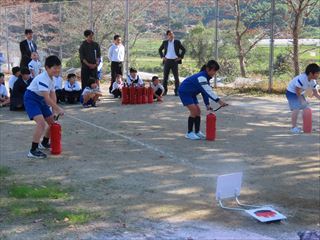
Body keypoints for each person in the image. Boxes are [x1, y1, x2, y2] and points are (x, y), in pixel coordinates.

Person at [24, 55, 64, 159]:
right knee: (41, 123)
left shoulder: (52, 79)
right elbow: (47, 98)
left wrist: (54, 110)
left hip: (40, 99)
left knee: (52, 122)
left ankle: (44, 143)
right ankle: (33, 150)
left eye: (58, 67)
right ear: (47, 67)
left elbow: (52, 95)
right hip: (31, 98)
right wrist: (58, 108)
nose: (57, 70)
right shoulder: (43, 78)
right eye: (54, 68)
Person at [178, 60, 228, 140]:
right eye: (214, 71)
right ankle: (189, 133)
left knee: (198, 111)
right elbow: (208, 91)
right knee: (194, 111)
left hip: (192, 93)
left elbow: (204, 92)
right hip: (184, 92)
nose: (215, 73)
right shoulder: (202, 77)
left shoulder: (206, 78)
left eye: (216, 71)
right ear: (208, 69)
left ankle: (197, 132)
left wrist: (207, 105)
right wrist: (219, 101)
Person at [286, 63, 320, 133]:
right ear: (311, 73)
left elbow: (316, 93)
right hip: (291, 92)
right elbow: (297, 90)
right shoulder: (302, 78)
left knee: (306, 107)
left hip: (299, 93)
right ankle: (293, 128)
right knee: (296, 107)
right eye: (317, 73)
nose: (318, 75)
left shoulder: (313, 81)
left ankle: (306, 127)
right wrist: (301, 100)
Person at [158, 30, 186, 96]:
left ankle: (177, 91)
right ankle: (164, 91)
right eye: (170, 34)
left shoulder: (177, 42)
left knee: (176, 77)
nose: (171, 35)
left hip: (174, 61)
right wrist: (162, 57)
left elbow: (184, 49)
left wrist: (180, 57)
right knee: (165, 77)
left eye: (172, 34)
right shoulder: (165, 42)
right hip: (167, 61)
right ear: (167, 36)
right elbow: (160, 50)